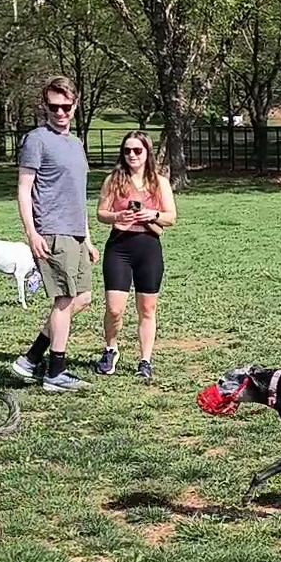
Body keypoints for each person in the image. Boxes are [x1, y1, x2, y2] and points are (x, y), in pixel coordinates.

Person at [11, 76, 96, 391]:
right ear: (44, 106)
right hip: (51, 231)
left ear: (74, 106)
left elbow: (76, 193)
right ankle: (55, 372)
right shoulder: (36, 139)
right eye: (53, 107)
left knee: (83, 298)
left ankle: (31, 359)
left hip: (74, 232)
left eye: (65, 106)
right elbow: (24, 190)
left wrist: (86, 237)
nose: (60, 112)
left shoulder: (75, 143)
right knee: (64, 299)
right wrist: (32, 233)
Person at [93, 131, 177, 380]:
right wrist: (117, 217)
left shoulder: (159, 182)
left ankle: (145, 360)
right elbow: (101, 213)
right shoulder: (114, 180)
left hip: (148, 246)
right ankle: (111, 349)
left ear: (147, 153)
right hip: (119, 247)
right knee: (114, 308)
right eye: (127, 150)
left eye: (137, 151)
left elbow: (171, 217)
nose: (132, 155)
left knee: (147, 308)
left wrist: (152, 215)